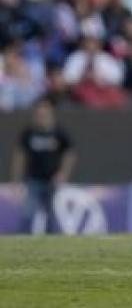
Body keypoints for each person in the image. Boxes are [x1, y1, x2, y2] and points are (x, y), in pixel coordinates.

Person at [10, 97, 76, 234]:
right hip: (33, 179)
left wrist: (63, 174)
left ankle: (50, 243)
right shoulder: (29, 133)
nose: (41, 114)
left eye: (44, 111)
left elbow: (70, 153)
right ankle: (22, 241)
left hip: (52, 180)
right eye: (39, 111)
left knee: (51, 214)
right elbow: (19, 155)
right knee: (28, 212)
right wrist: (16, 179)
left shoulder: (59, 132)